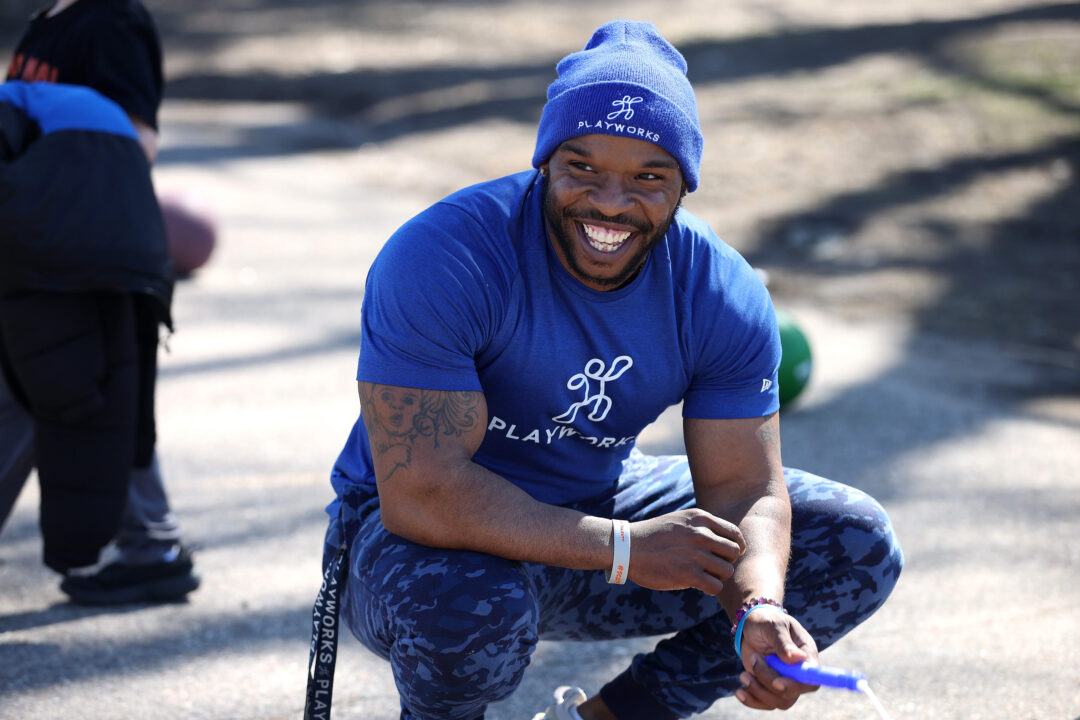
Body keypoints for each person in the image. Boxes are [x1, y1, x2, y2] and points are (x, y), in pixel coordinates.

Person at [319, 20, 903, 720]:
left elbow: (745, 486)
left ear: (684, 184)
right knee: (470, 609)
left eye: (648, 177)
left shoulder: (720, 290)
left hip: (594, 511)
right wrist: (625, 550)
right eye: (583, 167)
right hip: (419, 545)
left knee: (851, 540)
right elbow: (423, 493)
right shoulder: (445, 255)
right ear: (544, 161)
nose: (610, 202)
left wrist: (758, 607)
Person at [0, 0, 198, 604]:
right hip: (41, 243)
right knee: (97, 392)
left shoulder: (111, 19)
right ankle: (150, 543)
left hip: (85, 246)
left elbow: (138, 142)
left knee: (49, 385)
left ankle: (152, 545)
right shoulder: (48, 22)